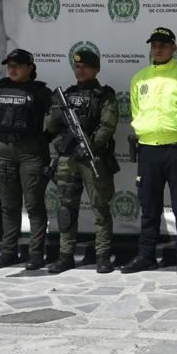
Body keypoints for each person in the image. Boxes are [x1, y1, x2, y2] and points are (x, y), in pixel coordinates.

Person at [121, 27, 177, 276]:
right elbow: (137, 113)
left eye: (164, 45)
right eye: (154, 44)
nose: (158, 48)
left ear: (174, 48)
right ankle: (146, 256)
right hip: (147, 151)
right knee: (149, 207)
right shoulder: (139, 78)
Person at [44, 49, 120, 274]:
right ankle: (66, 256)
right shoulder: (65, 95)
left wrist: (88, 146)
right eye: (77, 67)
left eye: (85, 66)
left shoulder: (105, 95)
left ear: (96, 69)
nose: (80, 70)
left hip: (92, 157)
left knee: (100, 208)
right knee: (67, 209)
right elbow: (50, 127)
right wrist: (56, 113)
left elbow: (107, 125)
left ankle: (103, 256)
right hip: (68, 159)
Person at [0, 49, 53, 270]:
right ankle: (8, 252)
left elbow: (57, 118)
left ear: (30, 68)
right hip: (4, 149)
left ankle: (36, 254)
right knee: (9, 206)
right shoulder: (1, 87)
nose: (12, 69)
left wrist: (44, 139)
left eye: (17, 65)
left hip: (30, 151)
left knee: (33, 205)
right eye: (9, 65)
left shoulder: (41, 92)